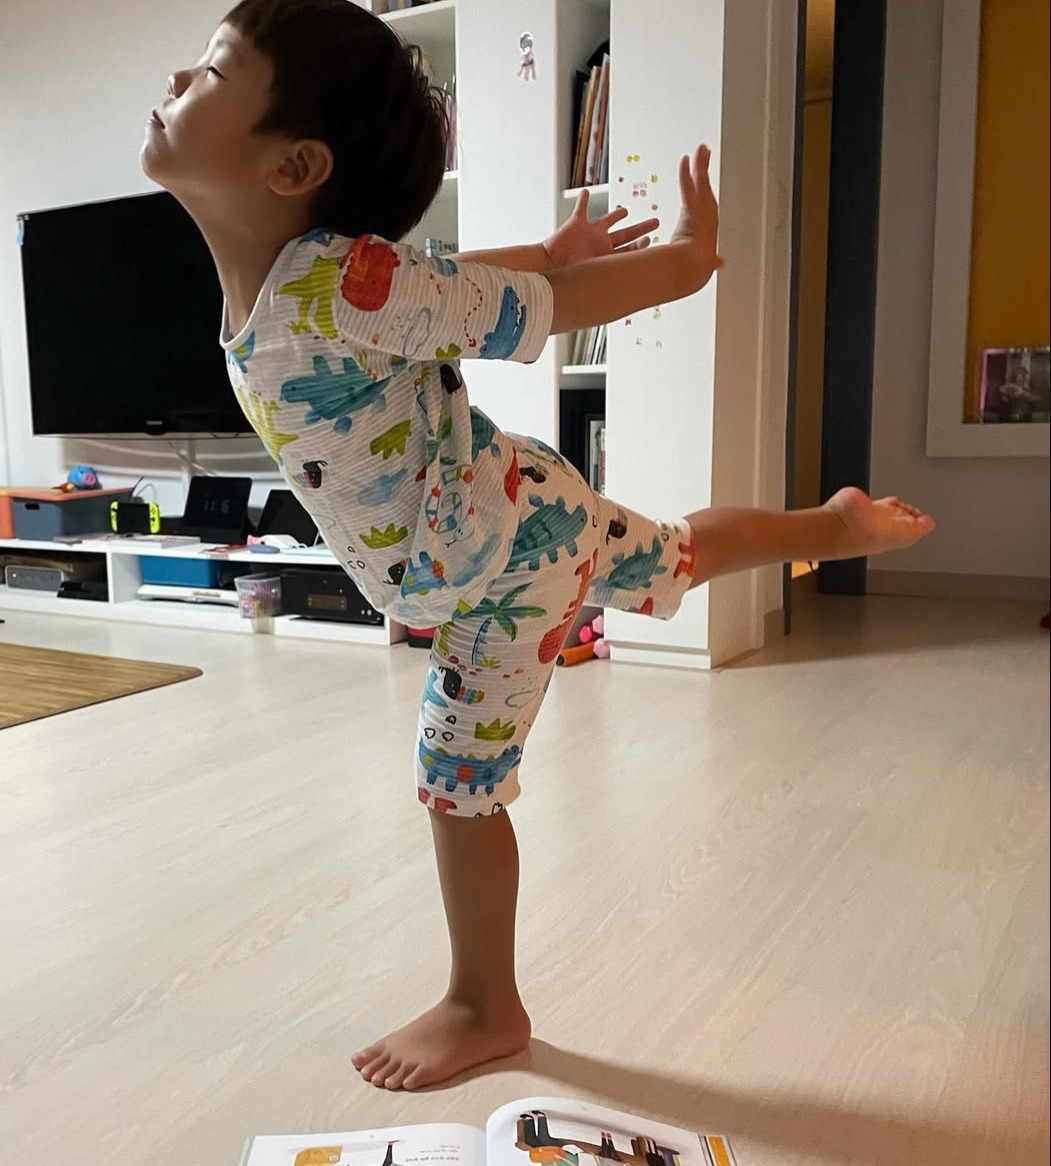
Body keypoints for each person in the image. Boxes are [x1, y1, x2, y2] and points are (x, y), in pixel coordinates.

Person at [141, 0, 936, 1092]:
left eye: (212, 71)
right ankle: (834, 524)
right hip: (507, 529)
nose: (177, 80)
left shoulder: (329, 285)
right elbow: (435, 282)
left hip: (502, 564)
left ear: (294, 165)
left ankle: (485, 1005)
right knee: (674, 555)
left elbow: (543, 305)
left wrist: (680, 266)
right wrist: (542, 249)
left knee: (457, 780)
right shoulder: (313, 280)